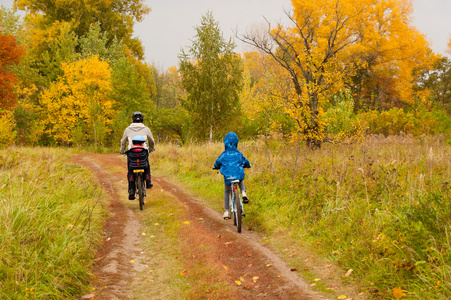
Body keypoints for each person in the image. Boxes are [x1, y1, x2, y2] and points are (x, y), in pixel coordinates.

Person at [213, 132, 251, 219]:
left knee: (227, 191)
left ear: (225, 143)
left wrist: (216, 167)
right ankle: (243, 192)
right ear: (236, 143)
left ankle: (226, 211)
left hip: (228, 176)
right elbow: (246, 162)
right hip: (238, 174)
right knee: (240, 178)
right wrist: (248, 166)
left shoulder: (223, 155)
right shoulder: (239, 154)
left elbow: (217, 162)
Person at [120, 111, 155, 200]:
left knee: (131, 169)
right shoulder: (146, 129)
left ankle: (131, 190)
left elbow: (123, 141)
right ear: (142, 119)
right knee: (146, 166)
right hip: (143, 151)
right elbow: (151, 141)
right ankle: (148, 181)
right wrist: (151, 148)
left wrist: (122, 151)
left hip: (132, 152)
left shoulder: (127, 129)